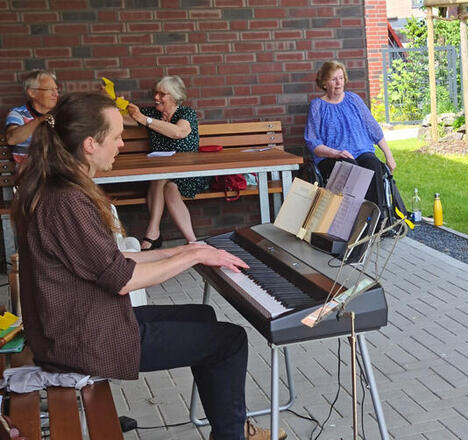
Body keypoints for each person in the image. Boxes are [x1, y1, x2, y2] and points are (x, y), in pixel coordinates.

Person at [11, 92, 284, 440]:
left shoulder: (58, 188)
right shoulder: (67, 201)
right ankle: (233, 435)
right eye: (116, 137)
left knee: (202, 317)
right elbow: (123, 279)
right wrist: (193, 257)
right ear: (90, 144)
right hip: (82, 342)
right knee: (230, 341)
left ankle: (232, 427)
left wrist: (186, 248)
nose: (122, 144)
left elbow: (110, 262)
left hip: (76, 326)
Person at [125, 75, 208, 250]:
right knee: (165, 183)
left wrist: (145, 120)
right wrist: (111, 103)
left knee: (162, 179)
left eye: (162, 94)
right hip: (161, 173)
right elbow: (122, 119)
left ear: (174, 96)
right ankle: (193, 241)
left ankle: (153, 233)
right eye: (156, 93)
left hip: (189, 173)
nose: (156, 97)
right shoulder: (152, 113)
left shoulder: (186, 113)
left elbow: (178, 132)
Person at [304, 60, 396, 204]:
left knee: (373, 164)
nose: (339, 83)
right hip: (331, 157)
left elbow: (374, 129)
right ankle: (351, 213)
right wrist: (336, 153)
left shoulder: (353, 99)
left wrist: (389, 156)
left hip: (361, 152)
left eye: (341, 78)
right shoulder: (317, 106)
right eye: (334, 79)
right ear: (324, 83)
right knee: (350, 166)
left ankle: (375, 214)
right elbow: (313, 143)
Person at [4, 70, 59, 163]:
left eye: (56, 89)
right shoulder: (17, 114)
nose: (56, 94)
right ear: (32, 93)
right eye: (50, 90)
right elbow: (12, 139)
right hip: (30, 170)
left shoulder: (60, 113)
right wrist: (40, 120)